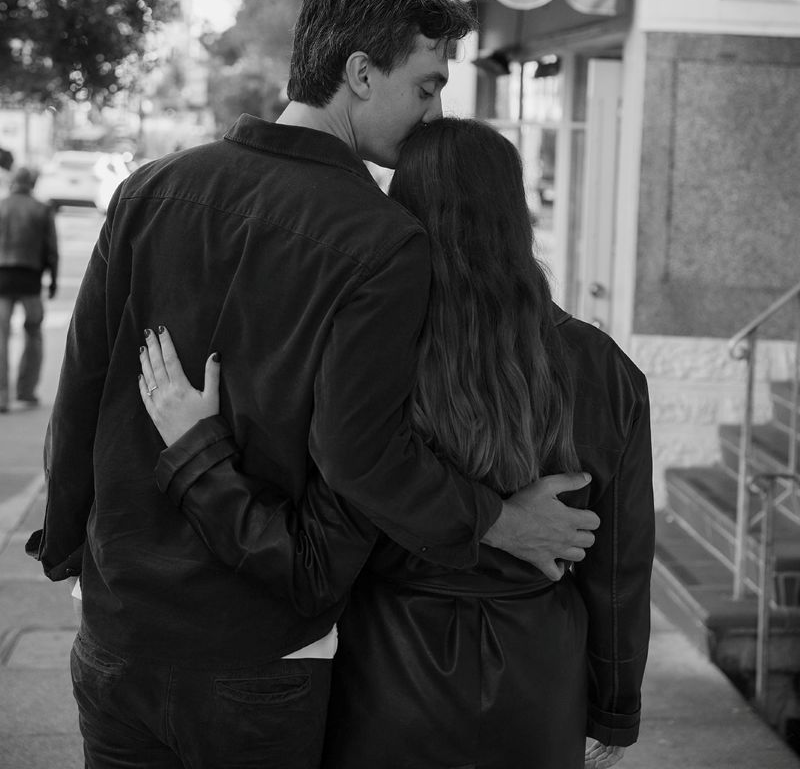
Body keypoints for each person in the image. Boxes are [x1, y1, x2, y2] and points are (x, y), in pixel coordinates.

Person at [26, 0, 600, 769]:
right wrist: (500, 521)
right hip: (259, 654)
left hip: (118, 637)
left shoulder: (150, 189)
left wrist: (67, 547)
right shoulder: (383, 241)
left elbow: (82, 388)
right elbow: (361, 453)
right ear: (360, 73)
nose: (433, 113)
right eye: (427, 86)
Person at [139, 118, 654, 769]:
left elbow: (309, 531)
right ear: (517, 215)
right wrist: (614, 706)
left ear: (400, 209)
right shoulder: (605, 369)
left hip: (384, 667)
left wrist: (197, 451)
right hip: (541, 673)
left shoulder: (369, 355)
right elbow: (620, 568)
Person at [0, 165, 59, 412]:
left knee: (1, 335)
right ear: (32, 184)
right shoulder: (41, 209)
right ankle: (26, 390)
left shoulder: (1, 205)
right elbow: (51, 249)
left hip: (2, 278)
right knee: (33, 333)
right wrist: (53, 280)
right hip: (30, 280)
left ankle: (1, 396)